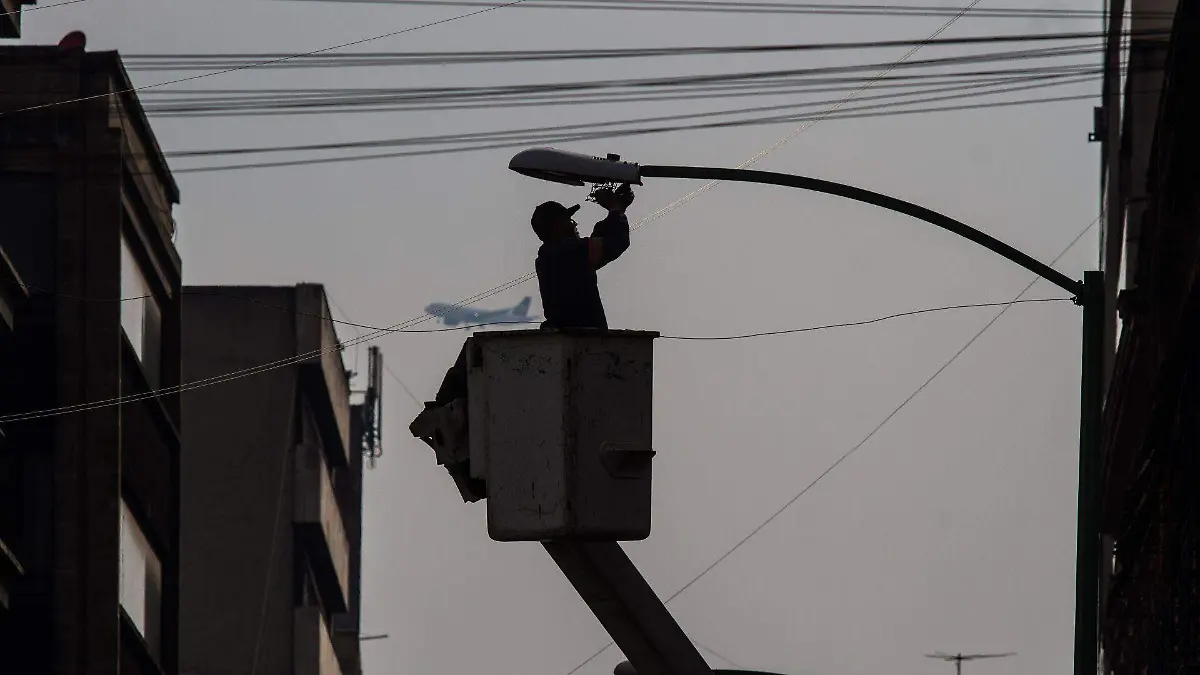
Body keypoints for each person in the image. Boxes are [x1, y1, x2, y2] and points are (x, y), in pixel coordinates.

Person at [411, 185, 636, 500]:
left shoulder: (555, 255)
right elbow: (613, 244)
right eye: (569, 222)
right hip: (579, 347)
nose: (574, 226)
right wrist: (616, 211)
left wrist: (614, 212)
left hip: (571, 344)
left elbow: (597, 244)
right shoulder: (564, 253)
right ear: (557, 227)